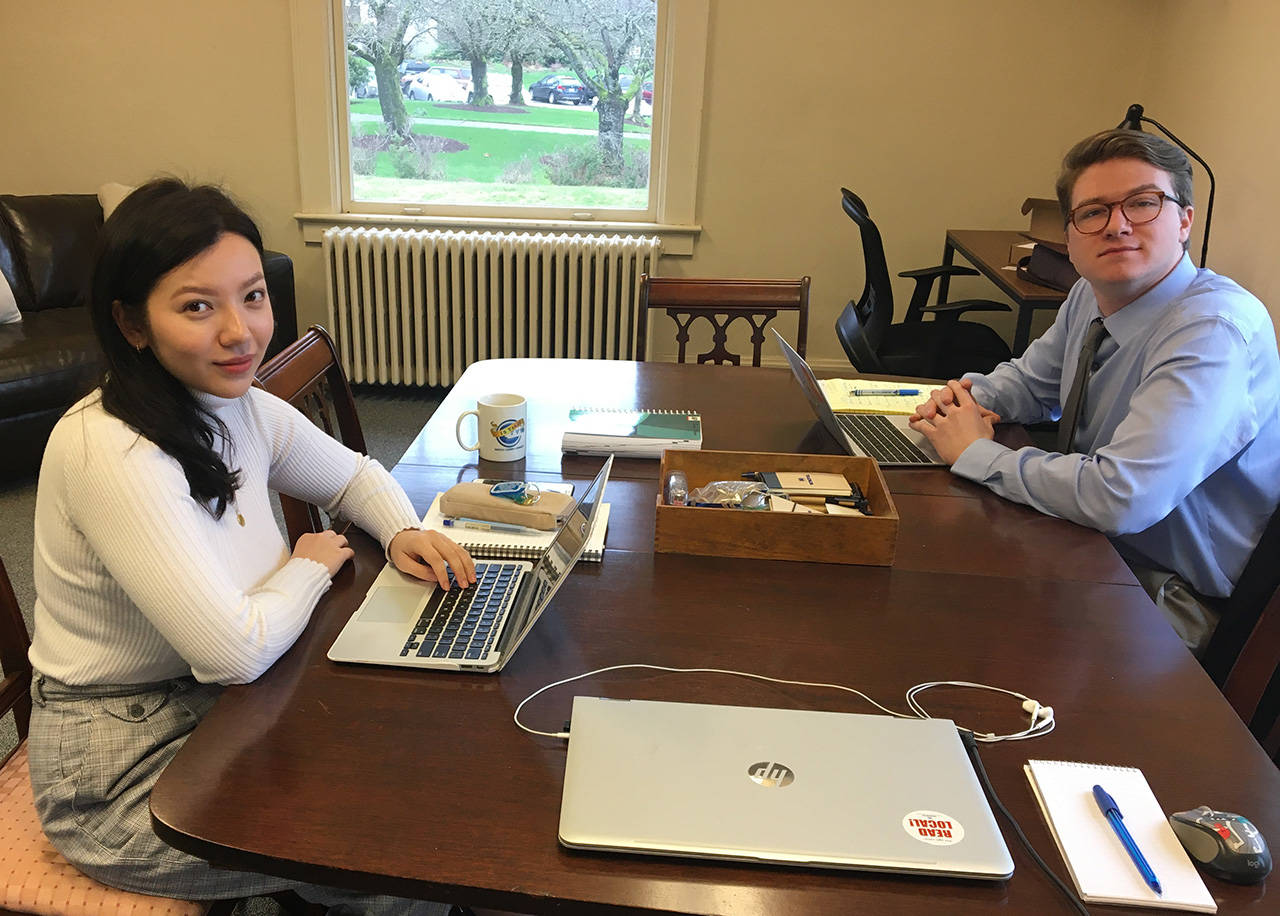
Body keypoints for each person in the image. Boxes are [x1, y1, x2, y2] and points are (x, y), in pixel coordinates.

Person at [27, 178, 475, 913]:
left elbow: (357, 475)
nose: (241, 331)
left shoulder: (235, 405)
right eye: (198, 306)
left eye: (253, 296)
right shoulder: (110, 451)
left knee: (414, 761)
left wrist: (402, 529)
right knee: (386, 844)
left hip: (225, 703)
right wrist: (304, 568)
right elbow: (232, 651)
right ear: (132, 323)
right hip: (114, 767)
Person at [909, 129, 1280, 655]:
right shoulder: (1092, 291)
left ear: (1185, 220)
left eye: (1143, 203)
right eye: (1094, 212)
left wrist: (975, 453)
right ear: (1072, 233)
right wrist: (963, 402)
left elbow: (1120, 497)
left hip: (1169, 598)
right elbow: (1033, 382)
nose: (1117, 225)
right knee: (929, 582)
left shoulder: (1212, 331)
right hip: (1093, 549)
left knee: (952, 629)